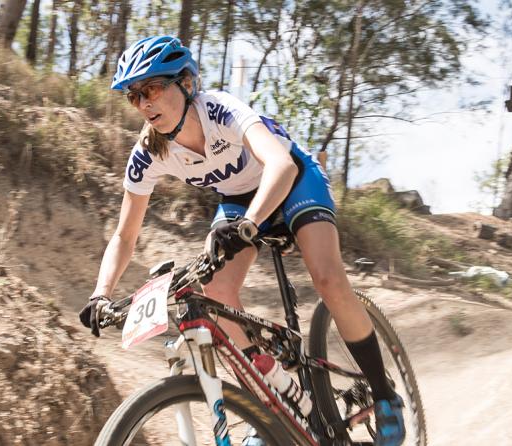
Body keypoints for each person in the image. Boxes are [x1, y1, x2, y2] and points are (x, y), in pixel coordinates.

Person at [78, 35, 405, 446]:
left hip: (294, 181)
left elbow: (281, 165)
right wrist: (101, 293)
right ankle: (272, 400)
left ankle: (384, 394)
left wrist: (251, 223)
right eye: (134, 96)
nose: (143, 103)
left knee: (327, 278)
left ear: (186, 84)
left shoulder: (218, 109)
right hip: (239, 199)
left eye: (153, 89)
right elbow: (125, 234)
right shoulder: (148, 152)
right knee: (214, 291)